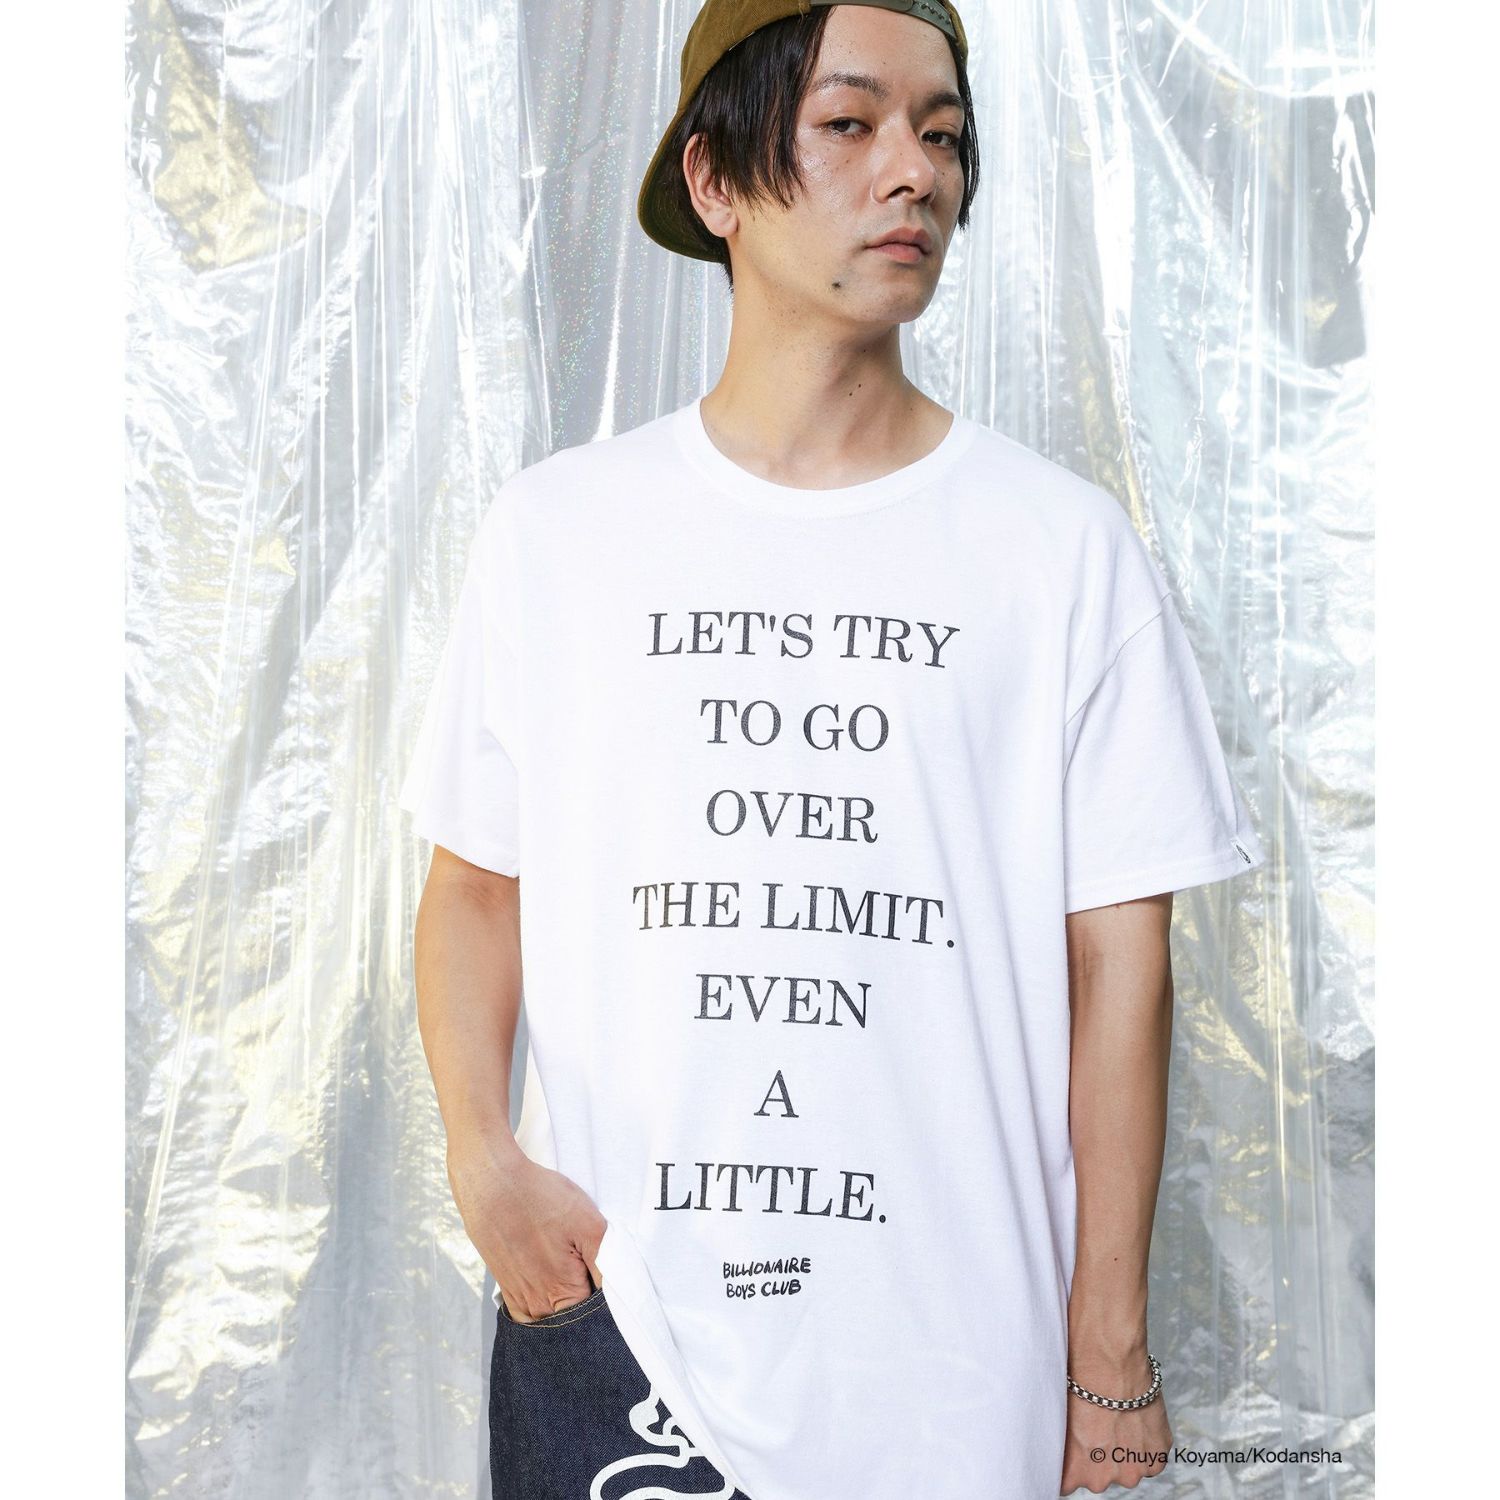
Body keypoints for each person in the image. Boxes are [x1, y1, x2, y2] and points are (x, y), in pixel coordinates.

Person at [398, 0, 1267, 1495]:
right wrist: (486, 1170)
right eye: (850, 124)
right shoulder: (560, 533)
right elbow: (477, 887)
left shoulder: (1058, 551)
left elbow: (1120, 968)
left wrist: (1107, 1352)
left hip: (953, 1375)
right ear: (714, 178)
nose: (914, 172)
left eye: (943, 134)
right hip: (621, 1340)